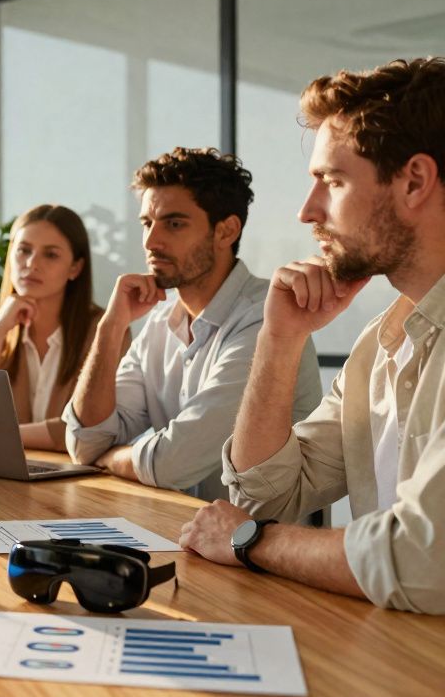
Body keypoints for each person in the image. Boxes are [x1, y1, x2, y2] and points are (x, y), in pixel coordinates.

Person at [181, 57, 445, 614]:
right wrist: (280, 339)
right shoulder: (382, 343)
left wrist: (251, 541)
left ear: (415, 181)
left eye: (333, 181)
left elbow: (425, 561)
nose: (307, 211)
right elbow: (267, 493)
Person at [63, 147, 323, 500]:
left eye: (174, 224)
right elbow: (85, 442)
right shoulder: (158, 322)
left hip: (259, 534)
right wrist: (111, 327)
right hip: (179, 525)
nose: (151, 241)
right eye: (147, 223)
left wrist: (108, 459)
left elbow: (172, 465)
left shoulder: (265, 318)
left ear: (226, 231)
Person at [0, 204, 127, 451]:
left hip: (76, 472)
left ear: (75, 268)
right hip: (2, 467)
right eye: (23, 250)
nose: (32, 264)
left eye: (50, 255)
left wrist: (0, 434)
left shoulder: (105, 331)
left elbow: (89, 430)